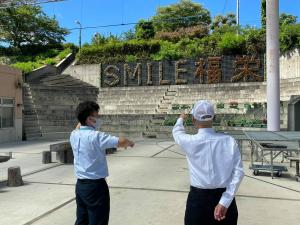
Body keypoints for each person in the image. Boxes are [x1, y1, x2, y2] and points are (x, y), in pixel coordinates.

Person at [172, 100, 244, 225]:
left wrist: (181, 118)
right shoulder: (229, 141)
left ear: (194, 120)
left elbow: (177, 132)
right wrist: (225, 201)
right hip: (224, 198)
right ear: (214, 118)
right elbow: (239, 172)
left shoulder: (189, 141)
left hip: (198, 201)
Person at [70, 101, 134, 225]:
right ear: (89, 119)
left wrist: (82, 118)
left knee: (82, 219)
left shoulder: (74, 135)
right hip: (96, 187)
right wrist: (130, 142)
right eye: (96, 116)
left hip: (80, 185)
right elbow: (121, 141)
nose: (98, 119)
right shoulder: (96, 136)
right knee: (98, 220)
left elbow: (78, 126)